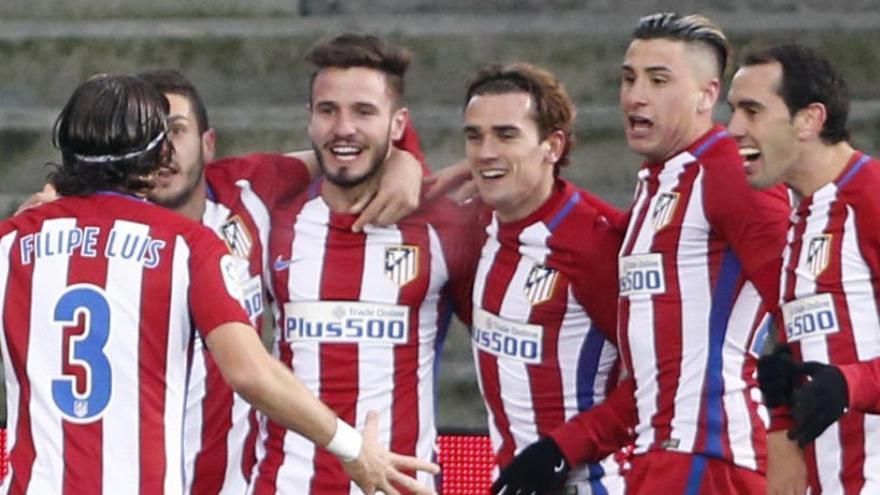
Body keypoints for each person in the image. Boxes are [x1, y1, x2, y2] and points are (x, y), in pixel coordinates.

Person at [0, 74, 437, 494]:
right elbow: (250, 372)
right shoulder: (186, 247)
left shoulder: (11, 241)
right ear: (154, 158)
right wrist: (352, 446)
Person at [495, 13, 792, 494]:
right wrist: (562, 447)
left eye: (659, 80)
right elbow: (660, 375)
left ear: (706, 95)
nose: (636, 95)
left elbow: (808, 302)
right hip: (660, 460)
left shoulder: (730, 174)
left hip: (715, 460)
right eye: (629, 78)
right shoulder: (656, 191)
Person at [134, 69, 426, 495]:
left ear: (207, 144)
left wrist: (405, 158)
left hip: (232, 484)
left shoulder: (249, 191)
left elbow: (342, 155)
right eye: (144, 136)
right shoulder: (102, 231)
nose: (161, 151)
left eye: (176, 131)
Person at [250, 34, 479, 494]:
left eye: (364, 112)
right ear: (310, 120)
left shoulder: (444, 228)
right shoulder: (270, 219)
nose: (343, 128)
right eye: (328, 110)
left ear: (398, 125)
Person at [460, 62, 625, 494]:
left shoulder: (596, 242)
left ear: (552, 146)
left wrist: (560, 450)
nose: (485, 151)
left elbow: (666, 377)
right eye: (474, 136)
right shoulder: (478, 225)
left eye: (506, 134)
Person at [728, 43, 880, 495]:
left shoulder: (870, 198)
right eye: (733, 111)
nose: (733, 129)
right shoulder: (801, 219)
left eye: (752, 111)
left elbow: (846, 381)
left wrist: (850, 383)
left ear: (808, 120)